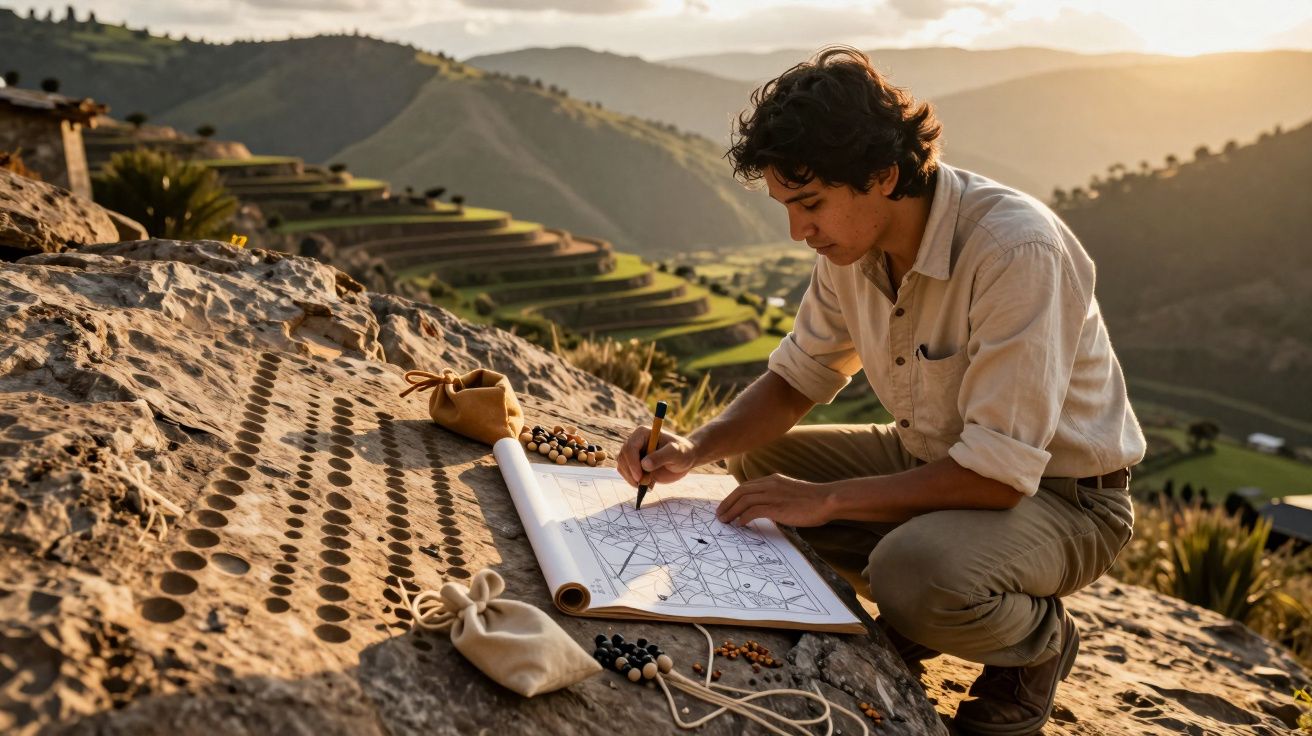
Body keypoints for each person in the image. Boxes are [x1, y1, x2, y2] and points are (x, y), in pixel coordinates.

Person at [617, 46, 1145, 736]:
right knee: (760, 465)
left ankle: (1037, 640)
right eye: (786, 207)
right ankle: (925, 612)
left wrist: (828, 500)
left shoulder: (1014, 251)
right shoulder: (851, 247)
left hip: (1063, 497)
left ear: (883, 175)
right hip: (935, 458)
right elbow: (796, 379)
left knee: (910, 572)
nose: (798, 232)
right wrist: (694, 447)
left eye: (811, 204)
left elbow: (997, 475)